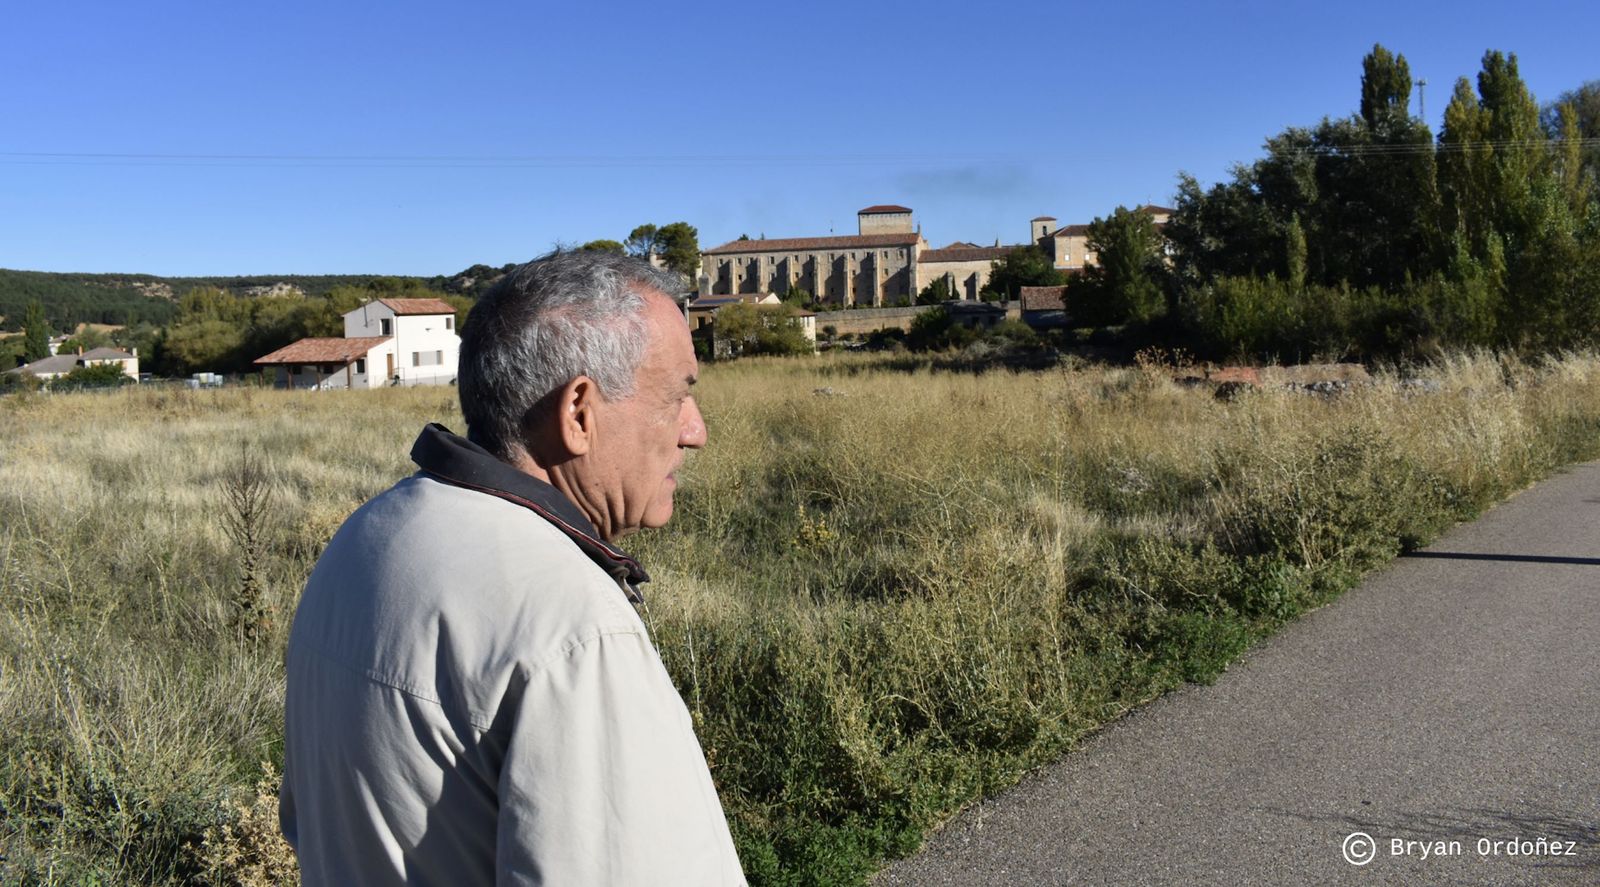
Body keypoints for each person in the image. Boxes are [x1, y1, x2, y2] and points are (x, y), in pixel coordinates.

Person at [279, 250, 745, 885]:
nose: (696, 431)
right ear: (579, 412)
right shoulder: (573, 629)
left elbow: (308, 825)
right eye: (677, 397)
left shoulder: (361, 538)